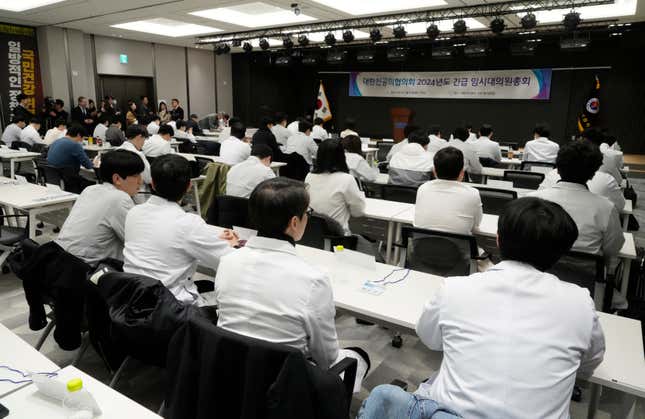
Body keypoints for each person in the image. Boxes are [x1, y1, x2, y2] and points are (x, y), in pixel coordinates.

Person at [359, 197, 605, 419]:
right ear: (561, 254)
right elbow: (588, 364)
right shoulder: (580, 302)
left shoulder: (456, 289)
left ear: (498, 239)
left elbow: (430, 339)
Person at [215, 177, 369, 393]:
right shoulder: (313, 280)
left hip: (230, 373)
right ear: (294, 223)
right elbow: (327, 358)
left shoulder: (227, 262)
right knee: (359, 357)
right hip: (284, 386)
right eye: (308, 212)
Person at [123, 154, 237, 305]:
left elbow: (167, 235)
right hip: (172, 309)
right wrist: (233, 243)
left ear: (153, 184)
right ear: (189, 186)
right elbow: (229, 261)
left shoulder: (134, 212)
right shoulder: (188, 223)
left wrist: (213, 236)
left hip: (134, 299)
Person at [529, 140, 624, 257]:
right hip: (583, 274)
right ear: (593, 174)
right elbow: (613, 250)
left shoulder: (531, 200)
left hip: (538, 269)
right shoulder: (607, 208)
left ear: (557, 169)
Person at [56, 150, 144, 266]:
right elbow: (137, 241)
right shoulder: (119, 198)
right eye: (136, 176)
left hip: (61, 259)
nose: (140, 181)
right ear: (117, 179)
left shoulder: (90, 189)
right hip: (86, 271)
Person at [414, 147, 482, 235]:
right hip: (458, 248)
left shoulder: (423, 188)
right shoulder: (473, 194)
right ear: (462, 173)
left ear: (434, 171)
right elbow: (477, 223)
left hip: (420, 247)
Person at [304, 139, 365, 234]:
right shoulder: (347, 179)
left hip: (313, 235)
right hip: (338, 237)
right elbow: (358, 212)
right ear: (342, 156)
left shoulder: (309, 176)